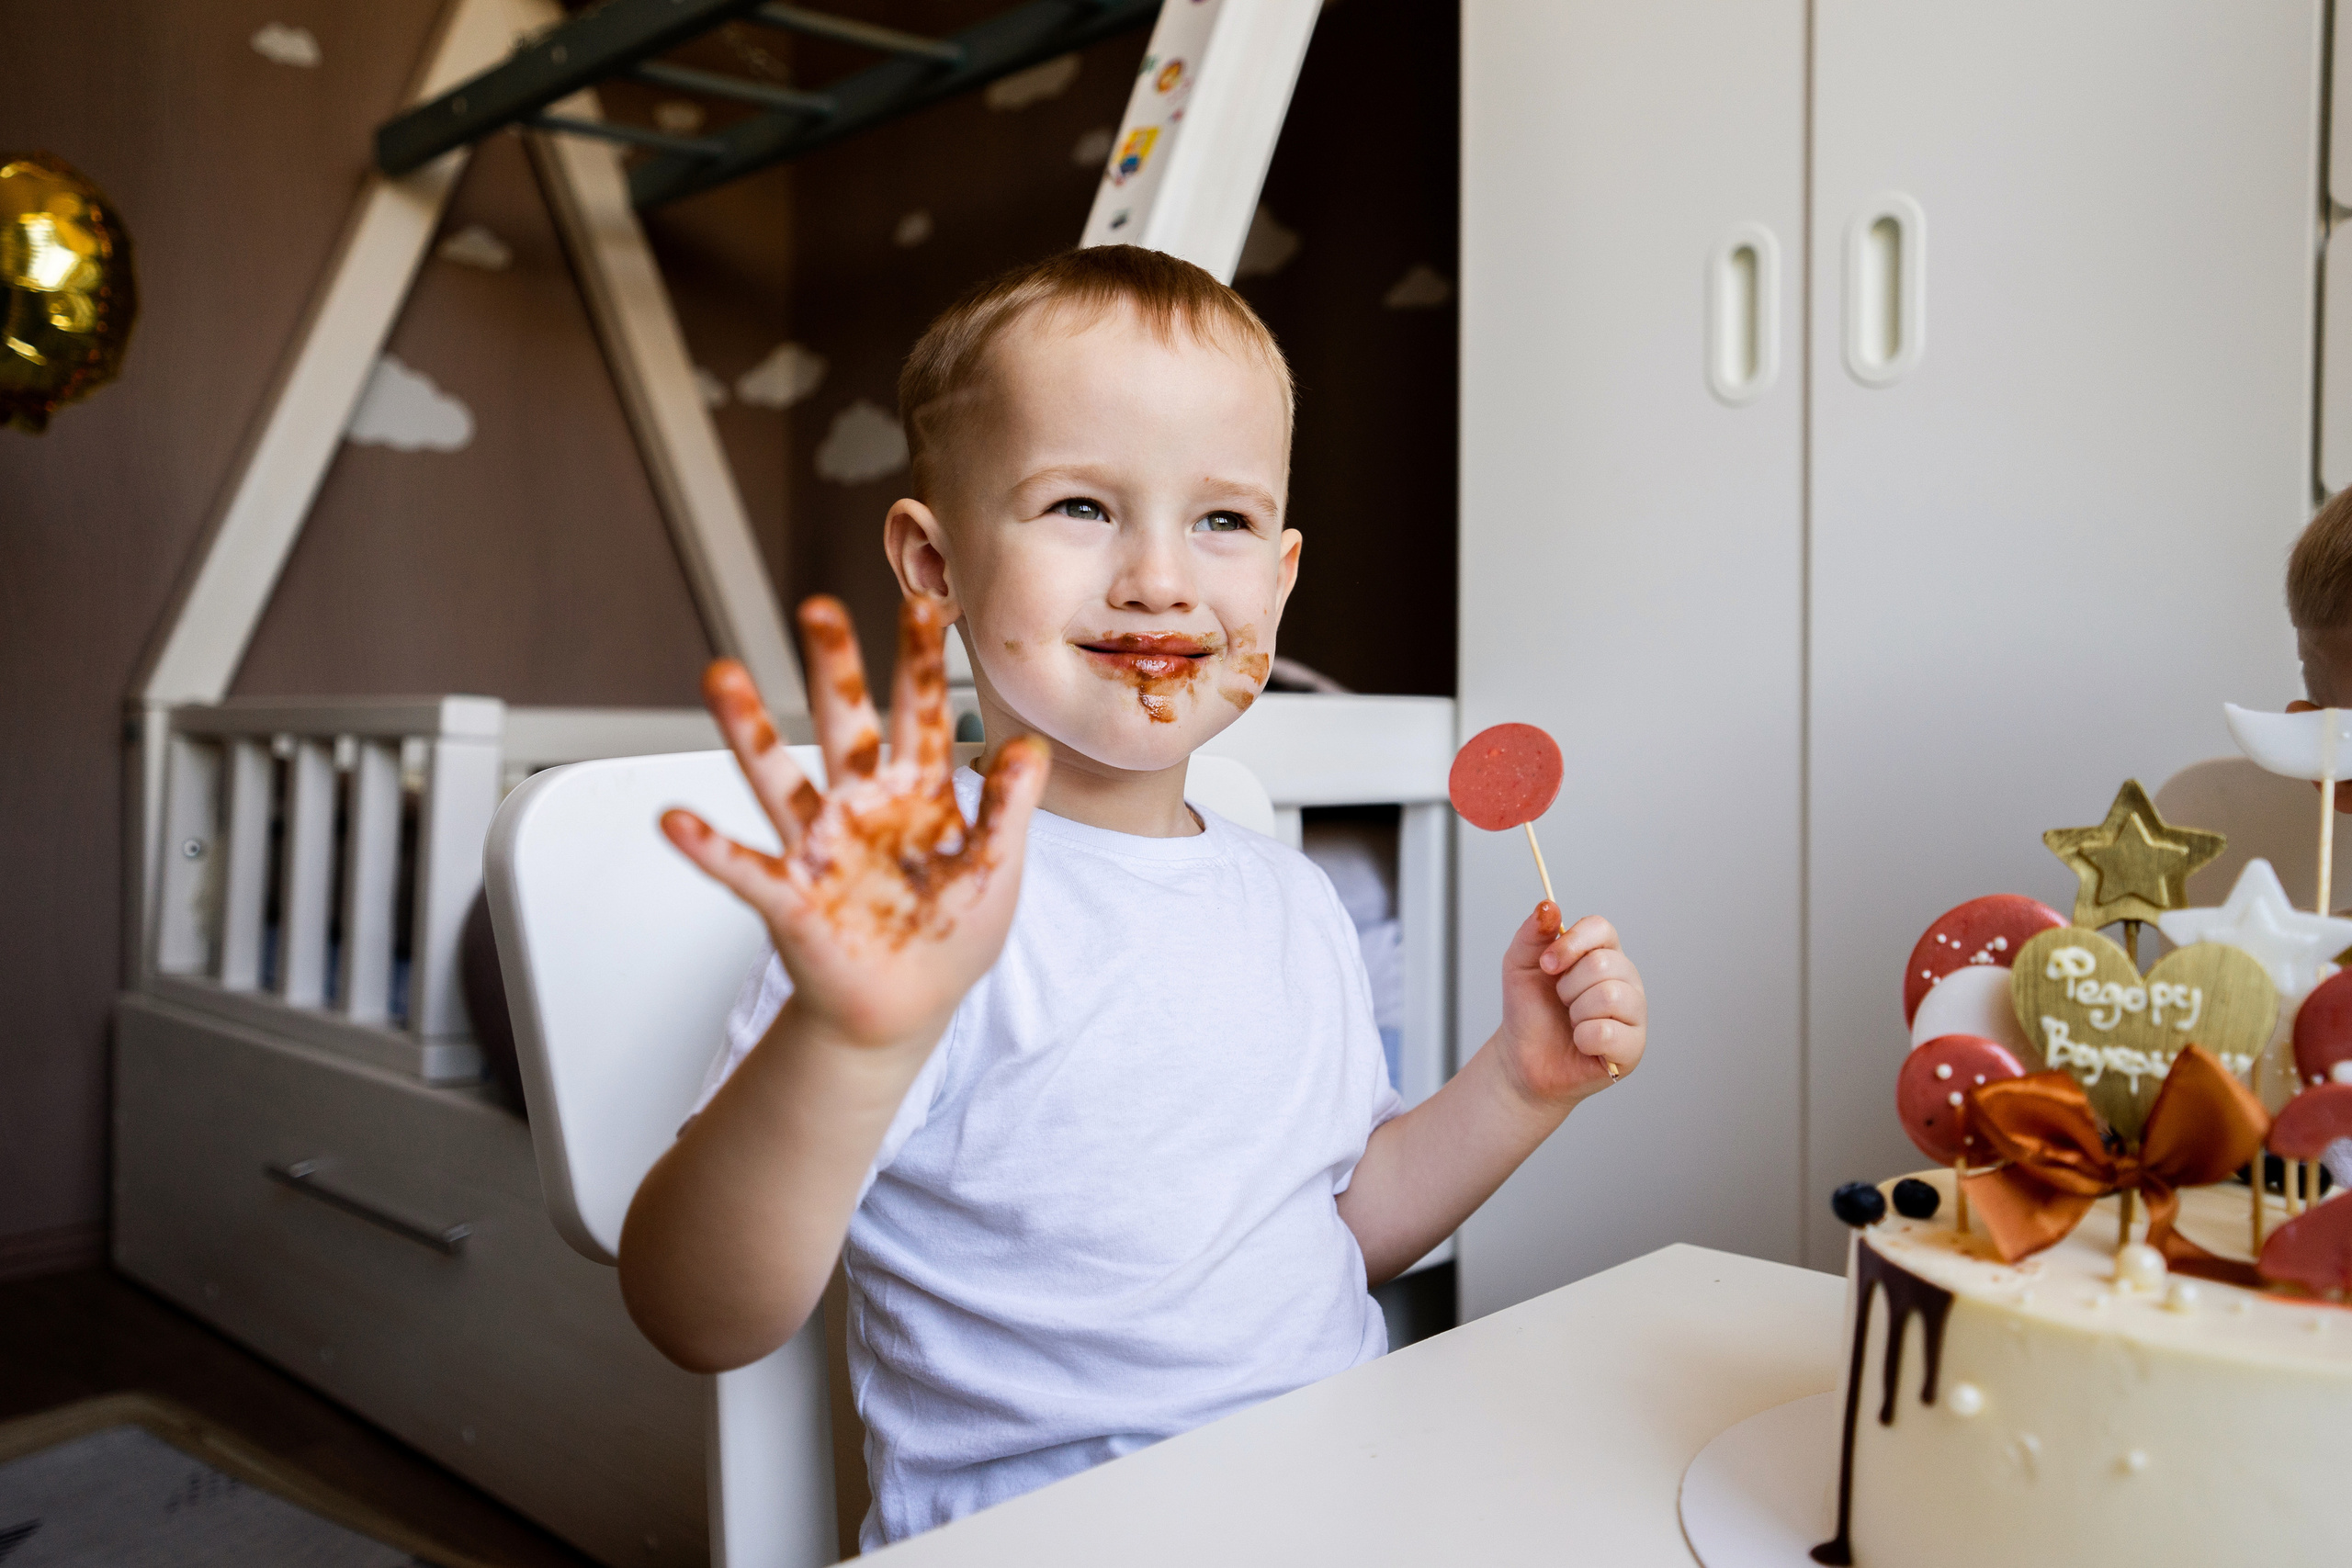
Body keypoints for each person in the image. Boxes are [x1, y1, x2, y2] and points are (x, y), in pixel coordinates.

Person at [618, 246, 1647, 1548]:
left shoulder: (1292, 899)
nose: (1160, 576)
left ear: (1275, 579)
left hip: (1332, 1497)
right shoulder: (909, 913)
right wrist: (847, 1035)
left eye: (1219, 521)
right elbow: (697, 1314)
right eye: (1081, 507)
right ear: (933, 567)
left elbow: (1332, 1239)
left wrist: (1517, 1085)